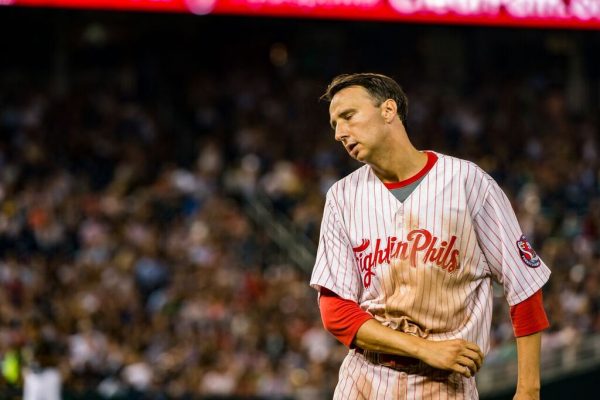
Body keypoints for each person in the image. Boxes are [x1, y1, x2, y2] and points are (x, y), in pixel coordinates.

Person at [310, 73, 550, 399]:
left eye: (348, 116)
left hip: (446, 384)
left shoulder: (467, 183)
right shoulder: (341, 197)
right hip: (365, 380)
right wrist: (423, 348)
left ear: (388, 110)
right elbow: (336, 311)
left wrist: (528, 389)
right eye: (335, 124)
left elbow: (524, 286)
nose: (339, 133)